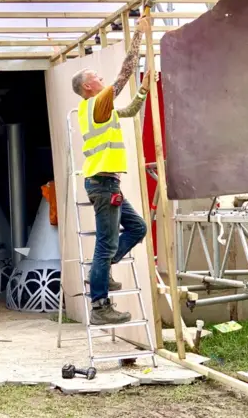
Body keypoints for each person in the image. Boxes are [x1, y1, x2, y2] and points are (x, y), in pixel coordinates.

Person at [70, 17, 153, 326]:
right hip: (104, 184)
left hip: (105, 183)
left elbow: (129, 111)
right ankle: (101, 305)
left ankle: (102, 271)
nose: (102, 78)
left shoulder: (93, 109)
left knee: (137, 229)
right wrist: (139, 38)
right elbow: (125, 72)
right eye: (96, 76)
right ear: (88, 87)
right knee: (105, 244)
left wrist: (143, 92)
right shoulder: (98, 103)